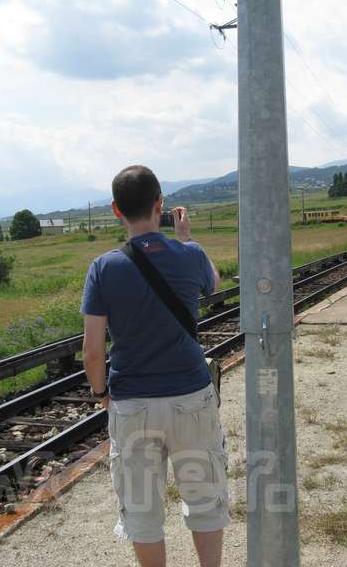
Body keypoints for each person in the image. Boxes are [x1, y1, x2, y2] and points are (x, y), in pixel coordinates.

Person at [81, 165, 227, 567]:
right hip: (192, 399)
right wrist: (187, 239)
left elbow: (93, 351)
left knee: (142, 512)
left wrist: (101, 394)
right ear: (159, 204)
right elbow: (212, 282)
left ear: (115, 210)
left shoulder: (103, 268)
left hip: (132, 404)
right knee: (205, 499)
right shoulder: (190, 255)